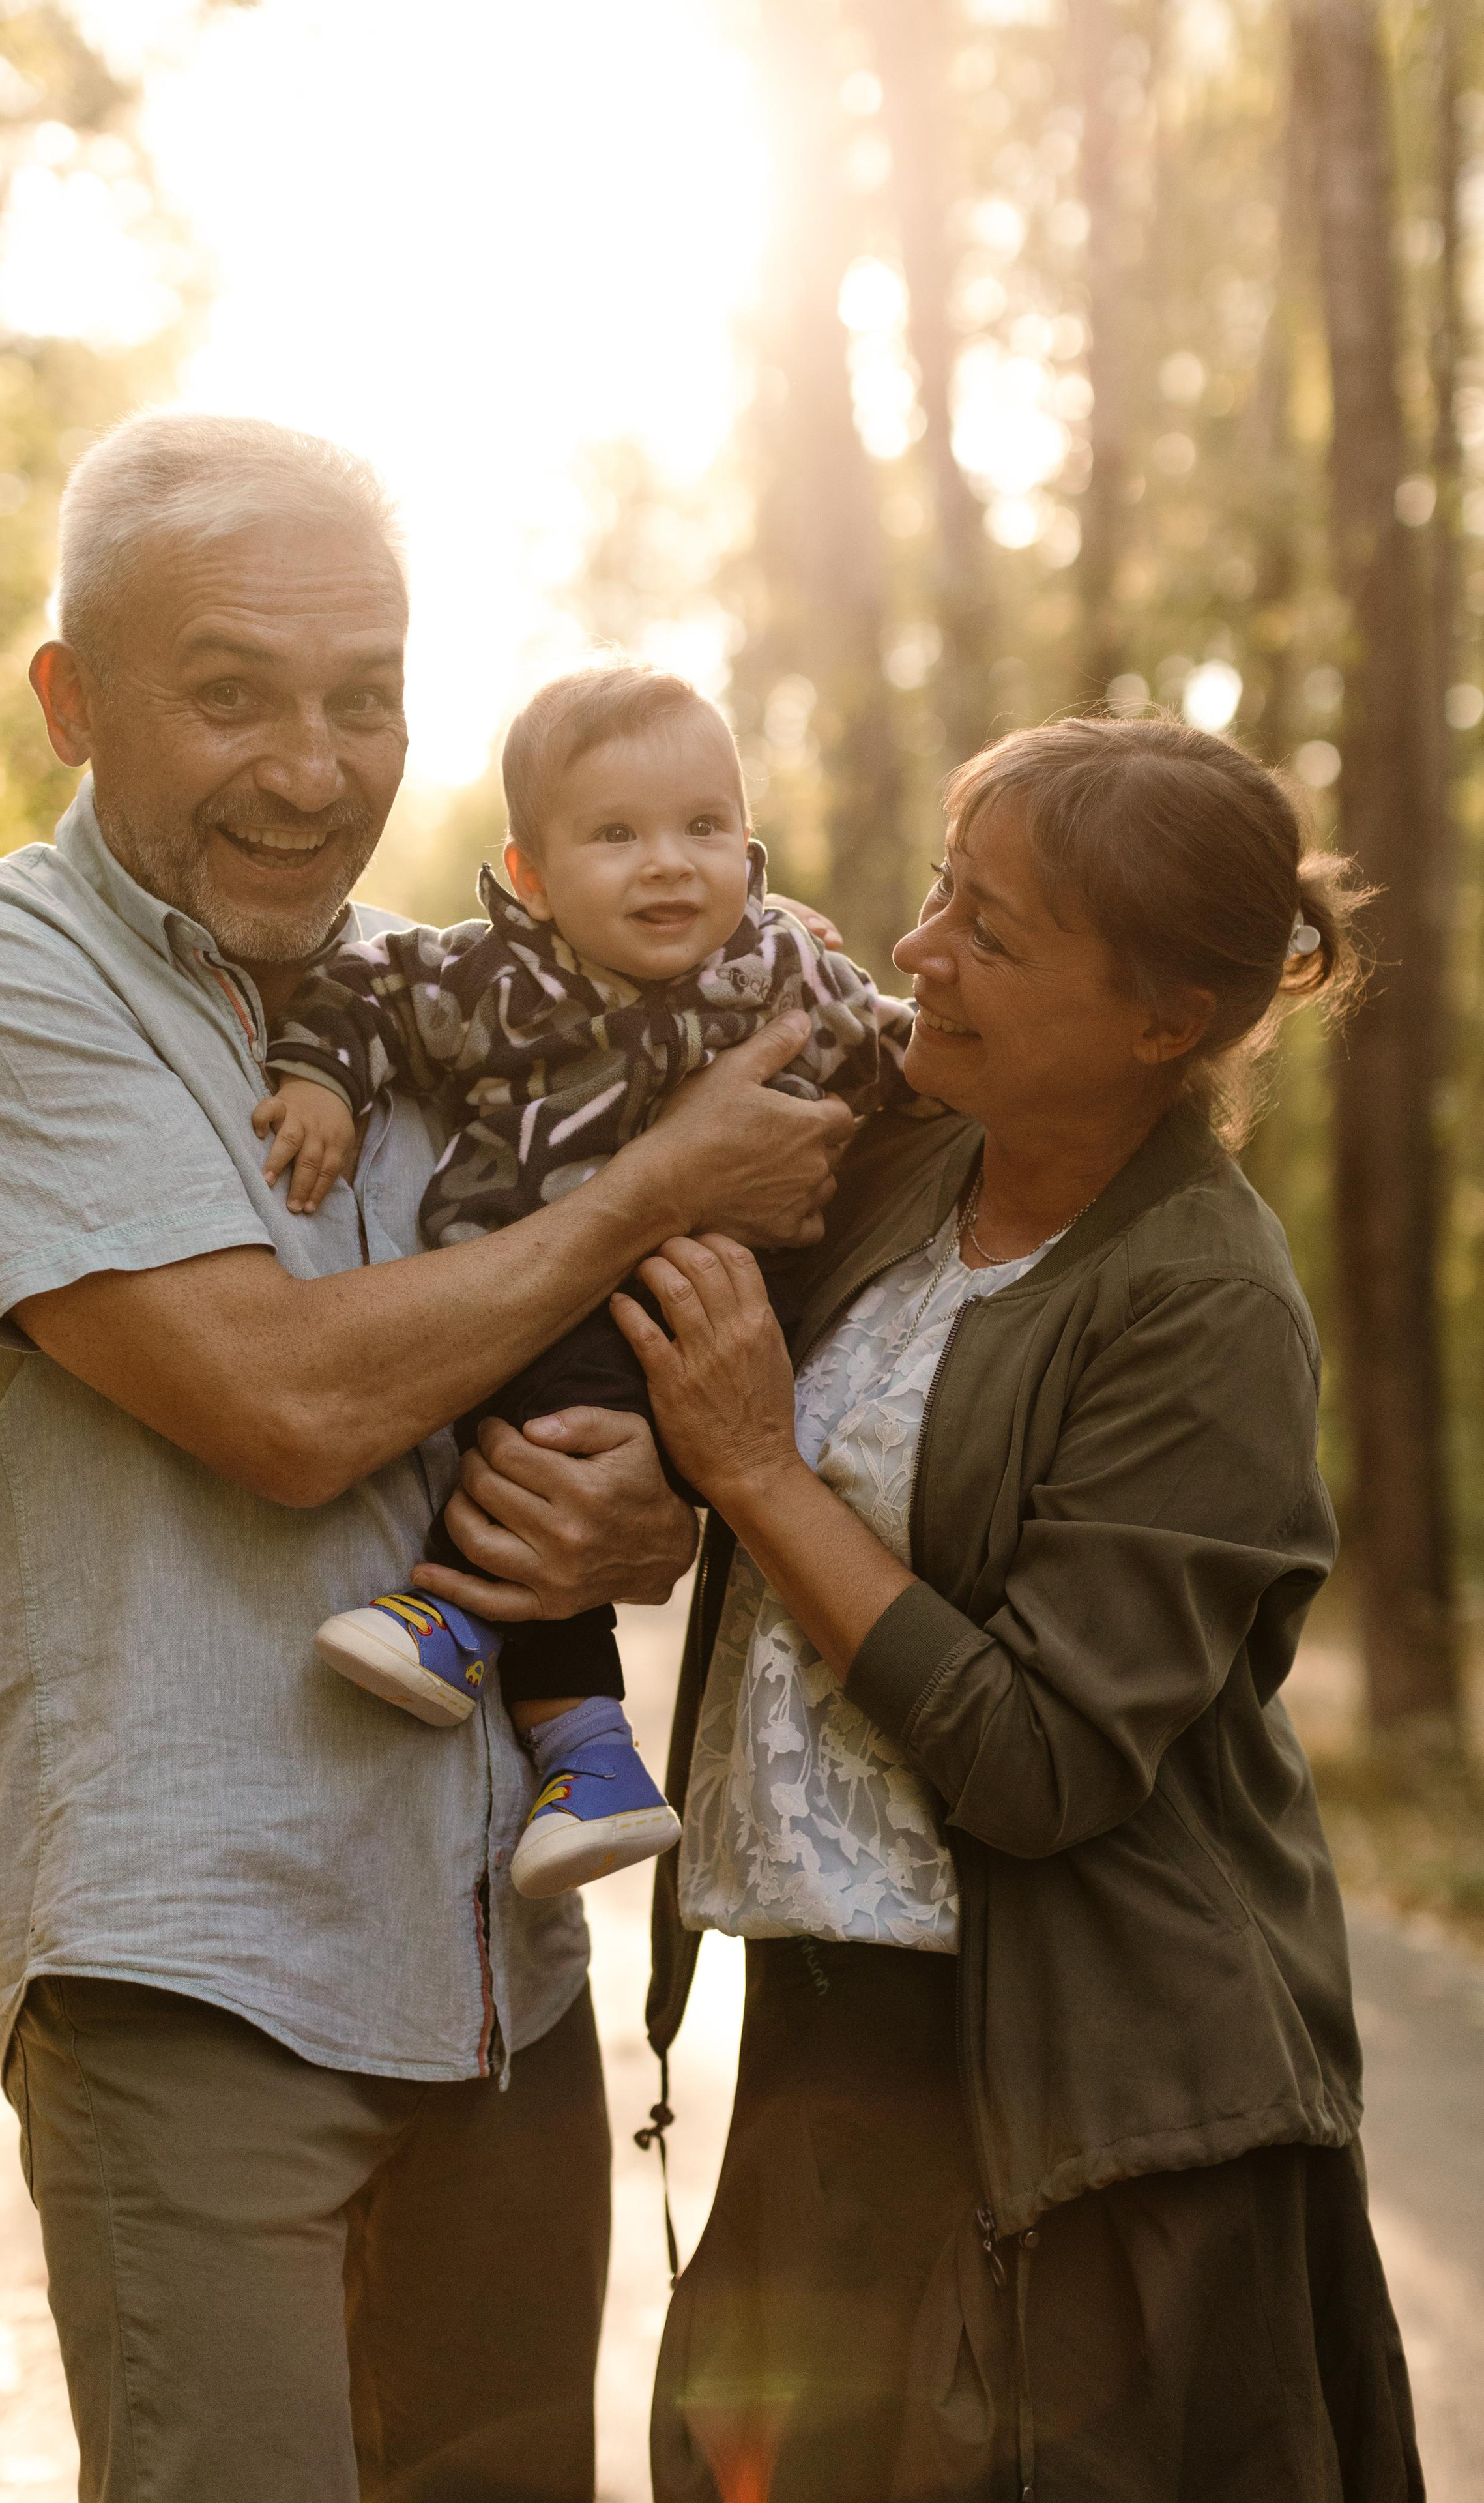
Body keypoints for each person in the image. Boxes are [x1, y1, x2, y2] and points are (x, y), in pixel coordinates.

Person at [0, 410, 853, 2503]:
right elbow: (287, 1403)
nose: (313, 771)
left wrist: (645, 1504)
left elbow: (563, 1378)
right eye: (232, 696)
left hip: (499, 1970)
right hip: (190, 1961)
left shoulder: (451, 999)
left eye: (364, 701)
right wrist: (653, 1178)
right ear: (71, 699)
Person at [622, 716, 1423, 2502]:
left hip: (1093, 2123)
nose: (921, 954)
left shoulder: (1203, 1305)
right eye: (937, 893)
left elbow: (1045, 1761)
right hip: (821, 2056)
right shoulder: (910, 1163)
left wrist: (758, 1474)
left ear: (1161, 1023)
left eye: (991, 930)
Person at [252, 659, 914, 1900]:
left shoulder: (788, 972)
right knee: (549, 1437)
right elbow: (366, 991)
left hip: (724, 1326)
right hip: (529, 1306)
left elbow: (910, 1061)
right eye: (616, 835)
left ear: (750, 847)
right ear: (532, 876)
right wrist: (320, 1082)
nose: (668, 863)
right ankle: (588, 1759)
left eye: (703, 829)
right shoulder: (498, 979)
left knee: (577, 1437)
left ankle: (457, 1622)